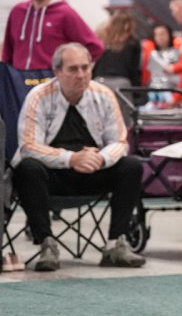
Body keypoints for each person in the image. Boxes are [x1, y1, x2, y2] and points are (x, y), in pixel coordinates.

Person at [11, 43, 145, 272]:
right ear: (57, 72)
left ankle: (115, 245)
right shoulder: (38, 96)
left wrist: (101, 159)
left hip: (93, 171)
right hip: (52, 176)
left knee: (131, 165)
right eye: (73, 69)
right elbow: (29, 146)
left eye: (85, 67)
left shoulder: (104, 95)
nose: (81, 75)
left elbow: (120, 142)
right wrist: (71, 159)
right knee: (28, 168)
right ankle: (46, 244)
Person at [2, 0, 104, 71]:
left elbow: (95, 47)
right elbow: (8, 50)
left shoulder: (65, 13)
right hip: (18, 77)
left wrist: (71, 70)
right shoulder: (18, 11)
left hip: (49, 78)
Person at [92, 10, 142, 91]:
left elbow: (96, 63)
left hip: (100, 80)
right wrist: (137, 92)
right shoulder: (132, 43)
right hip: (121, 82)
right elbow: (134, 70)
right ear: (128, 26)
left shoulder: (102, 40)